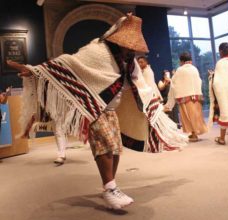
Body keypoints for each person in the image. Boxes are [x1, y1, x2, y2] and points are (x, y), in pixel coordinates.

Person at [7, 13, 186, 210]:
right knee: (105, 146)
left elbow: (138, 86)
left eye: (133, 45)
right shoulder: (98, 51)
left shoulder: (129, 60)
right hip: (95, 108)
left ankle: (110, 186)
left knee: (116, 149)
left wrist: (153, 111)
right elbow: (68, 63)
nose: (131, 48)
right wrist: (33, 70)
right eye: (128, 44)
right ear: (118, 39)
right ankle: (110, 189)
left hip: (111, 111)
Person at [164, 52, 207, 142]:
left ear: (182, 61)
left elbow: (174, 84)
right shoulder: (194, 69)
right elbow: (199, 81)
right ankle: (194, 133)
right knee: (196, 115)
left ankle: (194, 134)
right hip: (196, 95)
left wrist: (170, 80)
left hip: (185, 97)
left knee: (188, 117)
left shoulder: (180, 70)